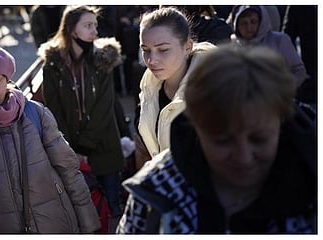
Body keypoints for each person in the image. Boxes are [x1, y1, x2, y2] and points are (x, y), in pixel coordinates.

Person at [116, 44, 317, 234]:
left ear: (281, 125)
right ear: (196, 127)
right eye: (223, 141)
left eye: (259, 139)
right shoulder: (155, 191)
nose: (243, 157)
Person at [0, 43, 100, 233]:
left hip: (55, 225)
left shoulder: (34, 114)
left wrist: (89, 225)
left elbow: (69, 171)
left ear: (7, 79)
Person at [37, 5, 125, 219]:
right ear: (71, 29)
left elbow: (105, 108)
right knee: (86, 213)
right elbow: (54, 111)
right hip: (73, 152)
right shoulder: (53, 65)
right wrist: (70, 147)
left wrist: (85, 144)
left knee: (113, 207)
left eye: (95, 25)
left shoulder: (104, 59)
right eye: (88, 26)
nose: (95, 31)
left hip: (103, 144)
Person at [133, 7, 214, 170]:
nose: (151, 60)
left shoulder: (213, 91)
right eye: (145, 50)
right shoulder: (147, 88)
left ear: (188, 47)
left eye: (163, 50)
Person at [229, 5, 308, 87]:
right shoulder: (233, 45)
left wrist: (281, 88)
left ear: (261, 22)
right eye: (243, 23)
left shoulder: (279, 40)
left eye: (253, 22)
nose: (249, 27)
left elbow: (299, 71)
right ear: (236, 26)